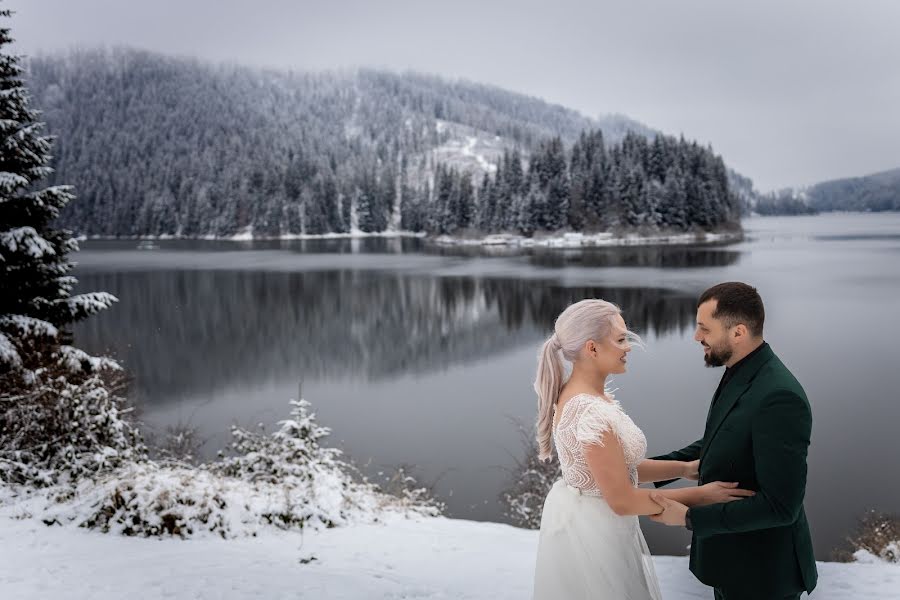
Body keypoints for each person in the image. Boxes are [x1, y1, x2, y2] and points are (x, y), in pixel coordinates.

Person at [532, 299, 755, 600]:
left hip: (591, 519)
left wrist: (683, 468)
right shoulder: (589, 413)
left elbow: (611, 469)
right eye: (621, 339)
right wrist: (703, 496)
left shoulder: (580, 396)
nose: (628, 347)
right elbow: (622, 500)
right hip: (597, 535)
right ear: (592, 348)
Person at [649, 282, 818, 599]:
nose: (697, 337)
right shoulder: (742, 369)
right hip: (733, 564)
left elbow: (781, 507)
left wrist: (687, 516)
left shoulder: (779, 397)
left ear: (738, 333)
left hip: (762, 575)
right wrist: (649, 469)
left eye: (704, 329)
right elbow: (723, 437)